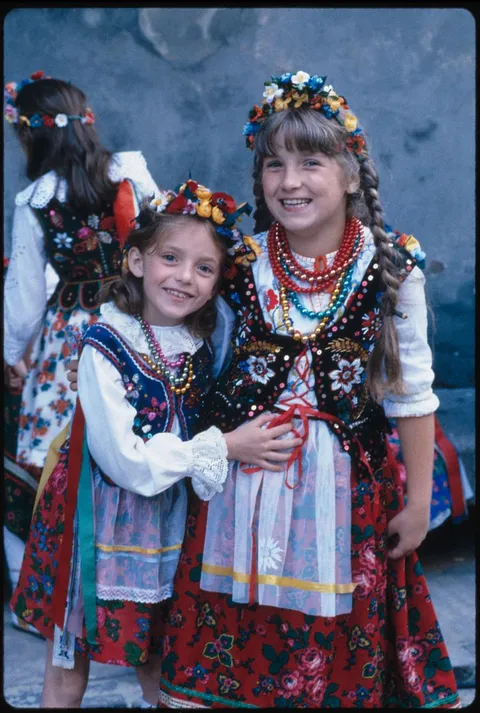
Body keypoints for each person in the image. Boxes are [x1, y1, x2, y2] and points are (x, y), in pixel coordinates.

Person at [152, 72, 460, 708]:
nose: (288, 182)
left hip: (346, 494)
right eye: (273, 165)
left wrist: (420, 502)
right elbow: (174, 335)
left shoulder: (390, 265)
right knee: (237, 634)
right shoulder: (238, 259)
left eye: (310, 162)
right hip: (239, 485)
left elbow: (412, 391)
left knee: (333, 641)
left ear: (349, 173)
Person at [10, 180, 301, 708]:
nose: (185, 277)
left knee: (163, 661)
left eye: (204, 267)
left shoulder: (202, 343)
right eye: (170, 257)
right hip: (96, 523)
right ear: (138, 261)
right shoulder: (105, 345)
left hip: (168, 525)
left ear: (217, 283)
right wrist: (225, 447)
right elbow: (125, 462)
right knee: (68, 662)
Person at [3, 70, 160, 612]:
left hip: (66, 339)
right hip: (132, 329)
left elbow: (23, 294)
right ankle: (132, 586)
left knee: (52, 463)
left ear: (31, 136)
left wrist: (8, 356)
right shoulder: (129, 173)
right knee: (130, 448)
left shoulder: (36, 202)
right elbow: (166, 241)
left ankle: (46, 596)